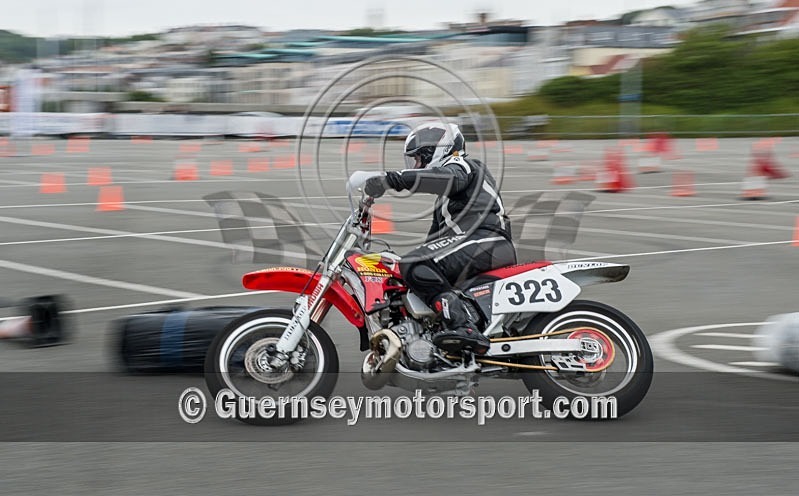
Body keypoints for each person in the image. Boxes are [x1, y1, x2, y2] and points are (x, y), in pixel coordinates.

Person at [364, 122, 515, 355]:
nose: (416, 166)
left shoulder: (464, 166)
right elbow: (431, 242)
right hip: (471, 242)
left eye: (418, 159)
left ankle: (463, 328)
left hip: (487, 239)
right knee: (411, 266)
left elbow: (448, 177)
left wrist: (391, 179)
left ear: (437, 149)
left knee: (414, 263)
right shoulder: (443, 202)